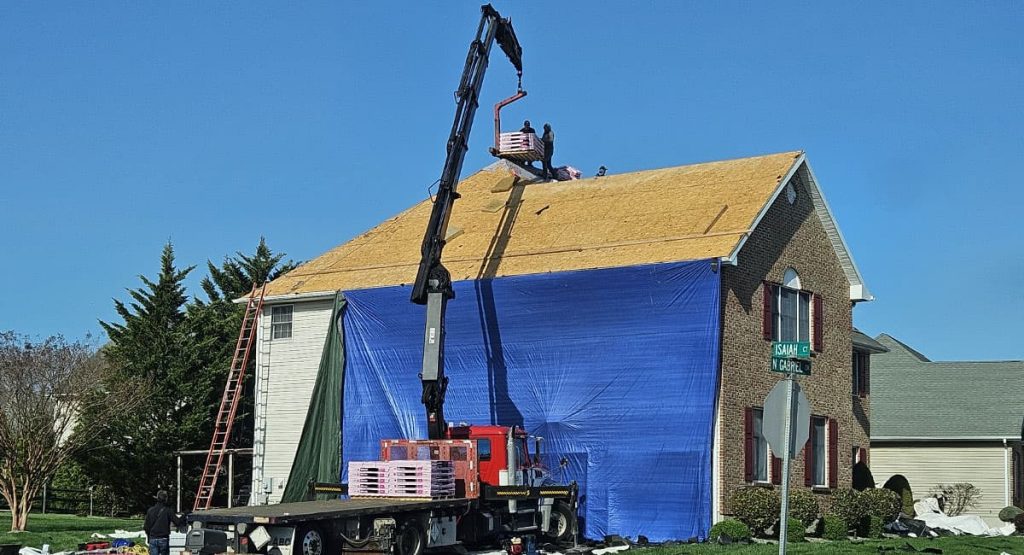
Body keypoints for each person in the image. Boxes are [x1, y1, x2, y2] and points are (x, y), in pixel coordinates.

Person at [145, 490, 184, 555]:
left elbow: (146, 527)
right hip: (163, 538)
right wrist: (184, 514)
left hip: (153, 538)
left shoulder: (150, 510)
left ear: (157, 498)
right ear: (166, 499)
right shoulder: (168, 510)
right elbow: (177, 522)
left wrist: (149, 538)